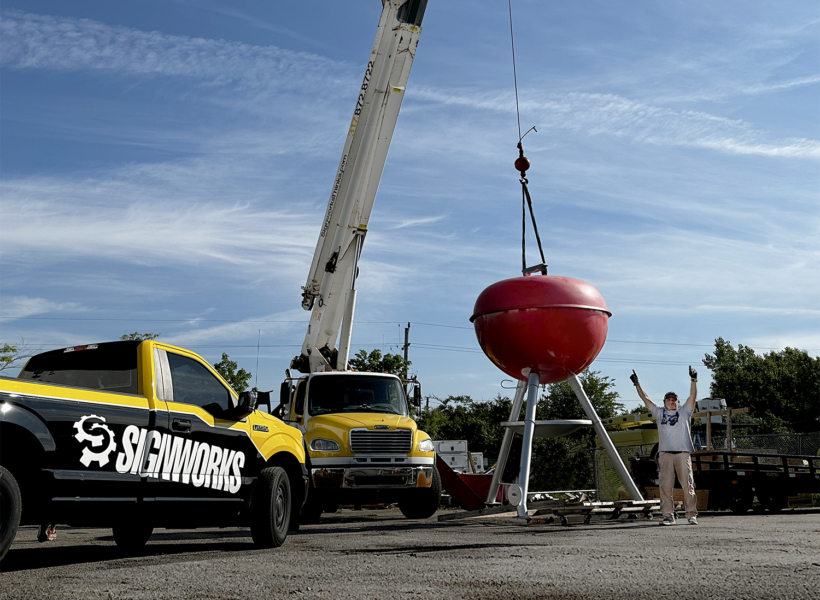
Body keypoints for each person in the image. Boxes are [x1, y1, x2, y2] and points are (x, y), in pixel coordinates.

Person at [630, 366, 699, 526]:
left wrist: (694, 380)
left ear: (678, 402)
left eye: (674, 400)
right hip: (665, 454)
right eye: (668, 400)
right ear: (664, 402)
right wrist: (637, 384)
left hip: (683, 453)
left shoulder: (684, 413)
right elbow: (645, 398)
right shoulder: (659, 413)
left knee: (688, 485)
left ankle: (691, 515)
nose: (671, 402)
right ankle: (668, 516)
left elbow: (693, 396)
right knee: (665, 486)